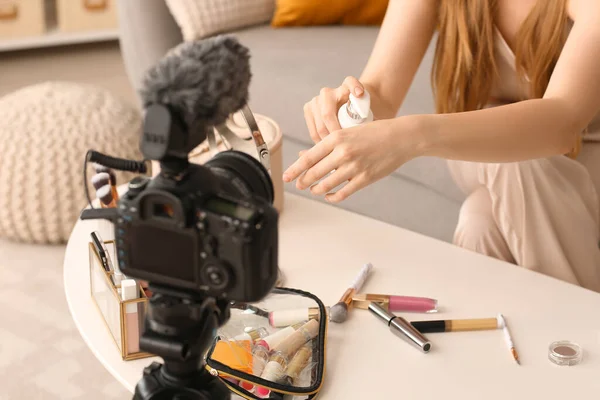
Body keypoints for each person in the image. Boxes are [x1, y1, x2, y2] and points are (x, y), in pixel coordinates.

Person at [282, 0, 600, 292]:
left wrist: (413, 135)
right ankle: (581, 336)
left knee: (479, 224)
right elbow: (381, 91)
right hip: (482, 151)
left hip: (586, 152)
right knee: (517, 164)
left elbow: (563, 120)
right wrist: (350, 105)